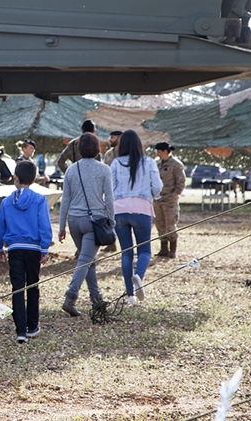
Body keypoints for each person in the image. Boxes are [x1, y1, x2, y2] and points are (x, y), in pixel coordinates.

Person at [0, 160, 52, 343]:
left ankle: (20, 331)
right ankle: (32, 326)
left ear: (16, 178)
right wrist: (45, 247)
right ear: (34, 179)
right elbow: (44, 225)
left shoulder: (6, 202)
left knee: (17, 288)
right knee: (33, 286)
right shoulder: (40, 200)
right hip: (33, 249)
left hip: (15, 249)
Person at [58, 132, 114, 316]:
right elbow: (109, 200)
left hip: (74, 221)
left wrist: (61, 226)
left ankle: (96, 299)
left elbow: (64, 199)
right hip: (95, 222)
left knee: (88, 260)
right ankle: (70, 296)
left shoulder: (71, 170)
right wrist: (111, 221)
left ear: (80, 149)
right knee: (85, 260)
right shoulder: (104, 169)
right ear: (97, 149)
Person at [111, 130, 162, 304]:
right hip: (142, 210)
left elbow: (111, 189)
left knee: (126, 253)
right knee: (145, 250)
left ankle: (130, 295)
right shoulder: (149, 162)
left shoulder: (116, 163)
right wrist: (150, 195)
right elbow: (157, 186)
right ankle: (138, 277)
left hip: (120, 211)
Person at [154, 142, 186, 258]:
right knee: (160, 224)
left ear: (165, 151)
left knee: (170, 225)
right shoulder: (156, 164)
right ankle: (163, 249)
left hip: (170, 200)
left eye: (159, 151)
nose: (157, 153)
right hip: (157, 199)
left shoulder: (176, 165)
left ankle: (172, 250)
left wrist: (173, 196)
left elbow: (181, 183)